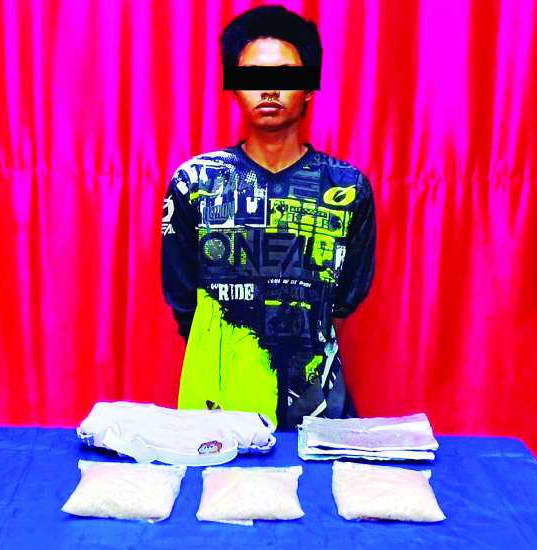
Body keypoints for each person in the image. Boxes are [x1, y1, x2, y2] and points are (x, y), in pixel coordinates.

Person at [161, 5, 376, 430]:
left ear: (310, 87)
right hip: (218, 408)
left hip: (318, 408)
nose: (270, 90)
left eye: (285, 75)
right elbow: (182, 297)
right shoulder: (196, 182)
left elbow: (346, 297)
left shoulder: (348, 188)